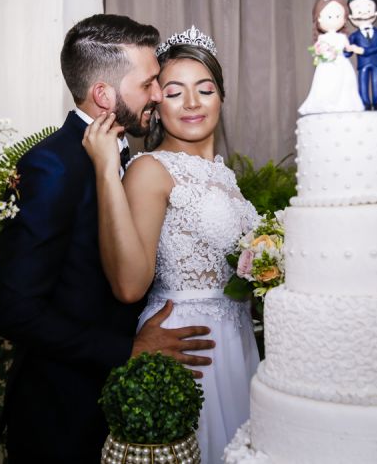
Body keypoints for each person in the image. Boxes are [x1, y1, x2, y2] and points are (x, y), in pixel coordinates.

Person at [0, 14, 215, 463]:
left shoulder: (135, 157)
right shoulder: (52, 166)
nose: (158, 94)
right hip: (63, 416)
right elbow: (12, 309)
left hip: (126, 411)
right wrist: (127, 349)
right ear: (103, 95)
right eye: (148, 84)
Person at [83, 25, 260, 464]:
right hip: (189, 350)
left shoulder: (226, 176)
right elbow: (128, 285)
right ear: (157, 104)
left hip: (236, 342)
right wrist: (106, 170)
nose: (193, 103)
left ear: (221, 97)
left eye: (205, 89)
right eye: (176, 92)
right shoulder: (150, 170)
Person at [298, 0, 365, 115]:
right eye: (329, 17)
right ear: (319, 18)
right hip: (327, 65)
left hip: (341, 63)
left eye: (338, 16)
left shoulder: (342, 37)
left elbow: (348, 47)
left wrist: (355, 49)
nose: (334, 19)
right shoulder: (322, 38)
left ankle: (344, 104)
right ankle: (326, 104)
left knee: (345, 84)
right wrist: (322, 53)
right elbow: (317, 50)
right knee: (327, 84)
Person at [346, 0, 377, 110]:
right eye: (359, 11)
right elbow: (348, 51)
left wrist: (364, 51)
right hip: (363, 64)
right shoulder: (354, 36)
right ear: (351, 17)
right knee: (363, 82)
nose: (364, 15)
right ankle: (363, 101)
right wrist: (346, 50)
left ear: (375, 13)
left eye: (368, 10)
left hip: (376, 63)